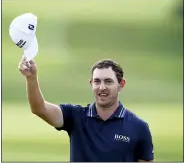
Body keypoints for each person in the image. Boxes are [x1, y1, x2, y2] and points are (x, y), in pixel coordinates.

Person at [18, 56, 154, 162]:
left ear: (121, 84)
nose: (102, 87)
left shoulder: (138, 127)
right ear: (91, 83)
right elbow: (39, 109)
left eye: (108, 81)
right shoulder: (75, 116)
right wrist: (31, 78)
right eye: (97, 81)